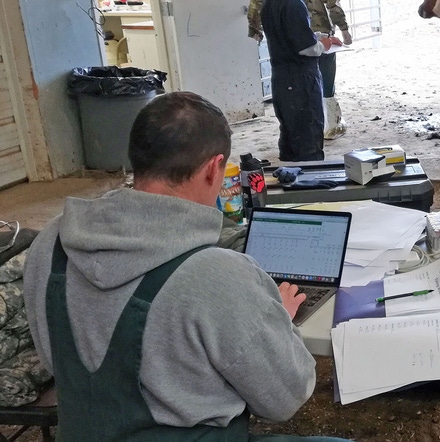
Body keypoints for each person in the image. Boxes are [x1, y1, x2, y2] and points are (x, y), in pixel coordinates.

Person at [22, 92, 348, 441]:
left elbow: (61, 360)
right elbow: (285, 399)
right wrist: (277, 318)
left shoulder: (50, 244)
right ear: (213, 169)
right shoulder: (218, 275)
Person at [248, 0, 353, 140]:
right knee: (324, 80)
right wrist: (344, 29)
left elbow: (257, 3)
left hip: (287, 38)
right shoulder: (293, 5)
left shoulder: (274, 5)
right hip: (318, 28)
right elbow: (333, 5)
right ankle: (331, 124)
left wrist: (255, 29)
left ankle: (312, 130)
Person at [260, 0, 341, 162]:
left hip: (282, 78)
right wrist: (323, 45)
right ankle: (312, 180)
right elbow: (306, 48)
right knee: (308, 136)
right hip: (300, 80)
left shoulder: (269, 4)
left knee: (290, 134)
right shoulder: (294, 5)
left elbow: (288, 36)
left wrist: (319, 38)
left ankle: (292, 179)